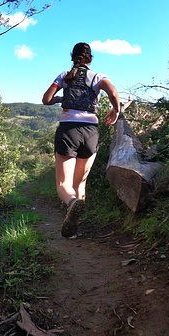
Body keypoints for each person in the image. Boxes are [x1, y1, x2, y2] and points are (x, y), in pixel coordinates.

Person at [42, 42, 120, 237]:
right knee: (80, 183)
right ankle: (75, 226)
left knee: (63, 185)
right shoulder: (98, 77)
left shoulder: (64, 76)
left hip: (68, 130)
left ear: (72, 57)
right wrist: (116, 110)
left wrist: (61, 98)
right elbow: (113, 92)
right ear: (90, 59)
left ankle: (71, 204)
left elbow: (46, 99)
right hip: (90, 131)